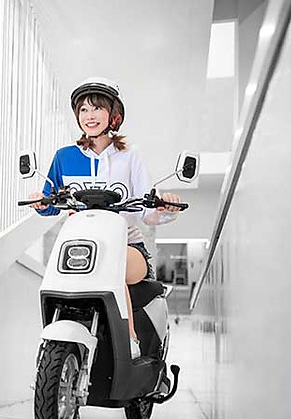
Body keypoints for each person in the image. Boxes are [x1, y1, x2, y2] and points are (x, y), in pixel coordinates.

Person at [29, 77, 183, 359]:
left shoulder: (130, 157)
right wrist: (41, 201)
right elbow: (51, 204)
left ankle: (130, 343)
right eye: (83, 109)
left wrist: (165, 207)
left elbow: (148, 213)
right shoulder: (65, 157)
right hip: (81, 246)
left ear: (113, 114)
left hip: (127, 246)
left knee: (111, 267)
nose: (89, 116)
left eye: (97, 108)